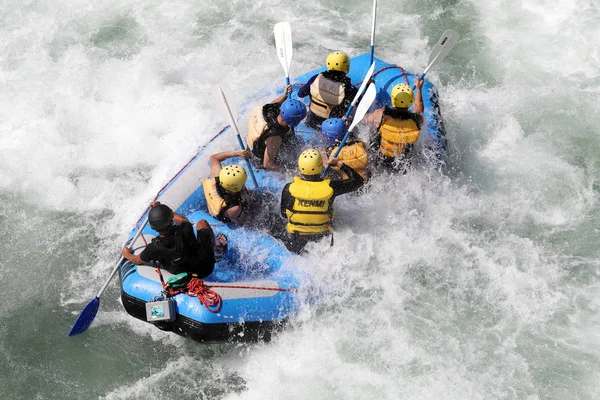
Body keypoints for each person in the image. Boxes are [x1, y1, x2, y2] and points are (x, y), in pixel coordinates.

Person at [279, 148, 364, 252]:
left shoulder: (289, 188)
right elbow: (358, 181)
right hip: (322, 243)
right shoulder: (331, 188)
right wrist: (338, 163)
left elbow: (284, 214)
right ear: (320, 167)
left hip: (296, 243)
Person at [121, 202, 227, 278]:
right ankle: (216, 251)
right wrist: (162, 209)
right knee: (202, 223)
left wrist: (126, 254)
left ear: (153, 227)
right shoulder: (185, 229)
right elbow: (184, 220)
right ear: (170, 218)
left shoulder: (153, 248)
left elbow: (136, 260)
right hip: (205, 268)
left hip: (185, 274)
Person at [364, 78, 424, 171]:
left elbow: (366, 120)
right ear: (410, 101)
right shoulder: (416, 119)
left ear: (392, 99)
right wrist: (419, 89)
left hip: (380, 161)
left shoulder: (380, 114)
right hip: (402, 164)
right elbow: (419, 109)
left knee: (374, 130)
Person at [247, 85, 307, 171]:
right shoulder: (275, 137)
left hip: (253, 144)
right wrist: (292, 171)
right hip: (257, 158)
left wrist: (285, 95)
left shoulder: (271, 110)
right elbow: (267, 164)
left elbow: (274, 103)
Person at [297, 51, 358, 130]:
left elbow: (300, 94)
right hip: (332, 128)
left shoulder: (316, 78)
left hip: (310, 122)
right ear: (346, 66)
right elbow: (360, 101)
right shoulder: (347, 88)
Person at [203, 150, 249, 225]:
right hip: (225, 213)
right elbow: (242, 223)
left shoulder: (217, 176)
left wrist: (236, 153)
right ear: (236, 189)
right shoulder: (235, 208)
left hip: (215, 201)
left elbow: (213, 158)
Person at [321, 117, 369, 183]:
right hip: (367, 182)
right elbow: (350, 140)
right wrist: (343, 127)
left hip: (348, 186)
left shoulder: (331, 154)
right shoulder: (360, 146)